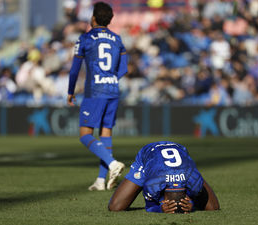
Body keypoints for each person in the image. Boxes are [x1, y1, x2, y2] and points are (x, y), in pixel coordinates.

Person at [67, 2, 128, 191]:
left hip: (95, 91)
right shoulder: (117, 39)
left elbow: (75, 68)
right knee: (106, 132)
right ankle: (101, 181)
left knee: (85, 135)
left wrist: (70, 91)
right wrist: (111, 79)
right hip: (113, 89)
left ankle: (112, 163)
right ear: (109, 20)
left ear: (93, 18)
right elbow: (124, 68)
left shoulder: (86, 38)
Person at [108, 141, 220, 213]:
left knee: (211, 207)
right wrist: (159, 209)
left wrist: (192, 205)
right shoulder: (153, 183)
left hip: (183, 162)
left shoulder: (194, 179)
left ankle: (188, 167)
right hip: (151, 154)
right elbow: (150, 206)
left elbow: (214, 207)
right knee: (116, 206)